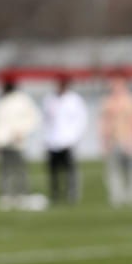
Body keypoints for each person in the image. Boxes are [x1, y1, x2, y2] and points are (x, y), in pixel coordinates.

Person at [0, 77, 42, 210]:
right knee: (5, 170)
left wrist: (22, 132)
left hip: (18, 141)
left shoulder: (22, 100)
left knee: (19, 170)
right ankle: (7, 195)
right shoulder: (0, 102)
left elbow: (33, 118)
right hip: (3, 142)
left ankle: (21, 195)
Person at [42, 74, 88, 204]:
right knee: (53, 172)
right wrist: (46, 137)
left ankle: (72, 195)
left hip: (68, 141)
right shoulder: (49, 99)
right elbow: (46, 120)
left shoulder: (74, 100)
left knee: (70, 171)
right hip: (52, 141)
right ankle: (55, 194)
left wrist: (73, 138)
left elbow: (81, 120)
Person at [99, 73, 132, 207]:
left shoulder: (131, 100)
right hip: (114, 139)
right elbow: (103, 122)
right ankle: (117, 197)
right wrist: (104, 140)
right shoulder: (107, 101)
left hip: (129, 139)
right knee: (113, 170)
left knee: (131, 170)